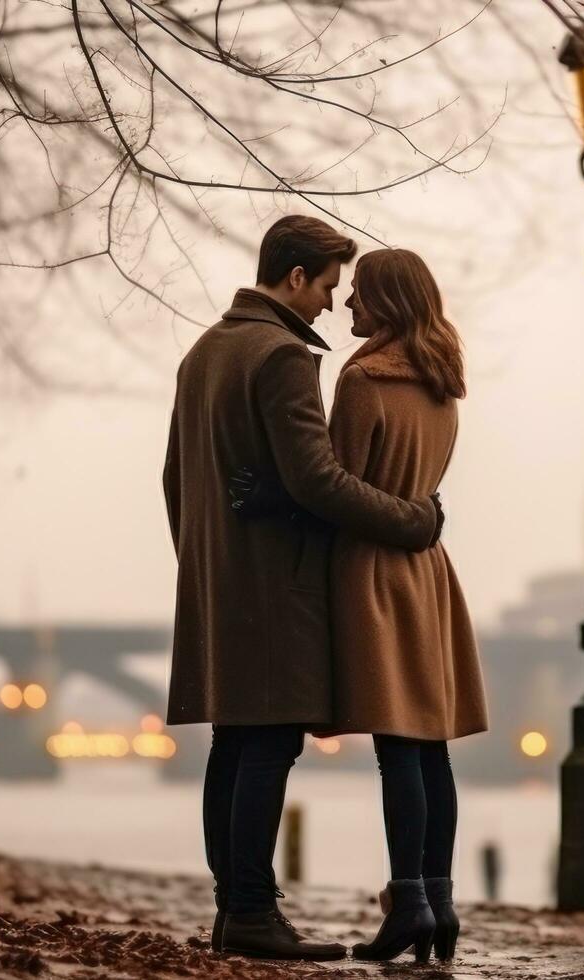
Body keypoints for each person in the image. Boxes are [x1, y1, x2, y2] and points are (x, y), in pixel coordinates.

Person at [161, 215, 444, 961]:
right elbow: (319, 481)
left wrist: (203, 561)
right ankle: (252, 912)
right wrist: (413, 520)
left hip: (218, 580)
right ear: (295, 278)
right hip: (277, 583)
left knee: (233, 744)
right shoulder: (282, 354)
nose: (328, 303)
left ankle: (233, 909)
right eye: (324, 286)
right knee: (267, 748)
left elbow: (173, 479)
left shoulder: (202, 353)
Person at [319, 249, 487, 963]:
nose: (348, 306)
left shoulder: (362, 381)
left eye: (359, 296)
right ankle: (440, 903)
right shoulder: (444, 386)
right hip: (428, 569)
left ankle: (408, 905)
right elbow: (424, 485)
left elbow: (337, 486)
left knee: (396, 751)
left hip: (374, 571)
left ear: (385, 303)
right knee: (429, 748)